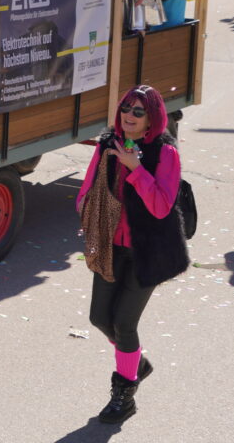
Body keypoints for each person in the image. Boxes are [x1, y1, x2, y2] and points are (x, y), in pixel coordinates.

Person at [76, 85, 188, 425]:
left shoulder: (165, 153)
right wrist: (86, 210)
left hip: (148, 251)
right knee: (100, 318)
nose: (129, 115)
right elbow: (88, 186)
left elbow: (161, 206)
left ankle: (123, 397)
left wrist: (136, 168)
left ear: (152, 118)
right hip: (110, 245)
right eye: (126, 107)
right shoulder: (107, 143)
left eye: (139, 111)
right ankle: (135, 361)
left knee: (125, 324)